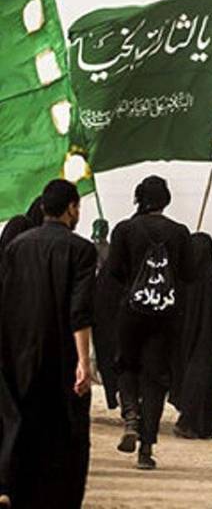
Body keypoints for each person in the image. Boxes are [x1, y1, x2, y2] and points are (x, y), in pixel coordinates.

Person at [0, 180, 95, 508]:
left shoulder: (16, 247)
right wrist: (84, 361)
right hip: (62, 356)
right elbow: (79, 311)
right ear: (71, 208)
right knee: (65, 433)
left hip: (20, 354)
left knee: (25, 424)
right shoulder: (82, 250)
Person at [106, 175, 194, 469]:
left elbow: (114, 271)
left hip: (131, 312)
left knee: (126, 365)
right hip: (166, 316)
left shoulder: (124, 229)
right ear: (166, 200)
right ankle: (146, 448)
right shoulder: (179, 232)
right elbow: (189, 274)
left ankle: (130, 415)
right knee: (155, 378)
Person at [173, 233, 212, 439]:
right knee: (206, 382)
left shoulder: (181, 283)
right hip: (208, 344)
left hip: (184, 342)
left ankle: (189, 420)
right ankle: (199, 424)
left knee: (189, 379)